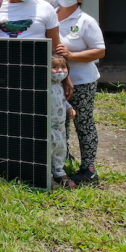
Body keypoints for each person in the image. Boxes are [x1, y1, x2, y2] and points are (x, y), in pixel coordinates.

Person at [56, 0, 105, 185]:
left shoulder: (85, 20)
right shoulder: (50, 16)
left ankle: (89, 170)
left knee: (83, 123)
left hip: (82, 81)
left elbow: (100, 51)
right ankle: (61, 161)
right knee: (59, 123)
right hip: (55, 82)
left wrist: (71, 56)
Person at [50, 54, 78, 189]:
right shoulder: (44, 86)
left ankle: (59, 172)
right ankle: (47, 175)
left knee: (60, 149)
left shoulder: (60, 85)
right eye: (54, 67)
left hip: (60, 127)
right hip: (47, 127)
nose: (60, 71)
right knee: (47, 150)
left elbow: (62, 100)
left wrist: (69, 108)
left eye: (63, 67)